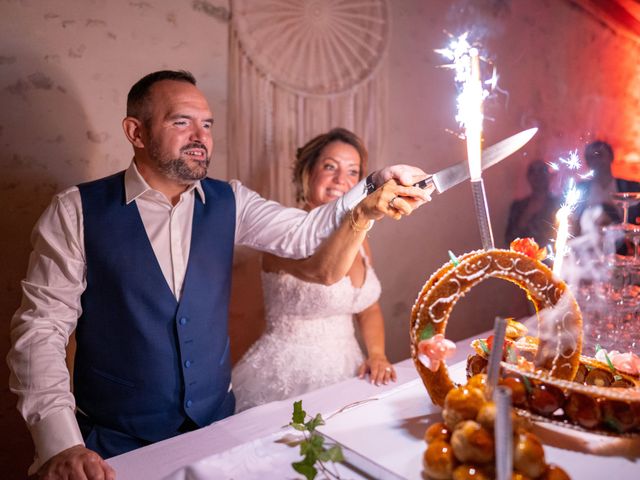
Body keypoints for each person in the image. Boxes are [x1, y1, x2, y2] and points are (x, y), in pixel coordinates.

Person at [6, 70, 432, 479]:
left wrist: (376, 184)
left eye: (206, 124)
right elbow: (40, 332)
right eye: (182, 122)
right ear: (136, 132)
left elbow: (305, 234)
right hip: (115, 448)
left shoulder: (232, 202)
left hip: (216, 431)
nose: (200, 137)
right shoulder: (75, 210)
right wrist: (60, 444)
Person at [232, 128, 399, 411]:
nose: (340, 180)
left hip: (350, 368)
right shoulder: (284, 234)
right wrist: (362, 216)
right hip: (288, 374)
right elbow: (324, 272)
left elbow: (367, 307)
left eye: (352, 172)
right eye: (330, 167)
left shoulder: (358, 238)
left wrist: (377, 355)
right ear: (308, 173)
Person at [505, 159, 559, 248]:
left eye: (541, 172)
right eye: (534, 173)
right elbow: (509, 238)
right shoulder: (518, 206)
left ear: (549, 176)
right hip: (523, 258)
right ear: (528, 177)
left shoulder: (558, 205)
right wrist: (527, 214)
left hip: (550, 259)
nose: (538, 177)